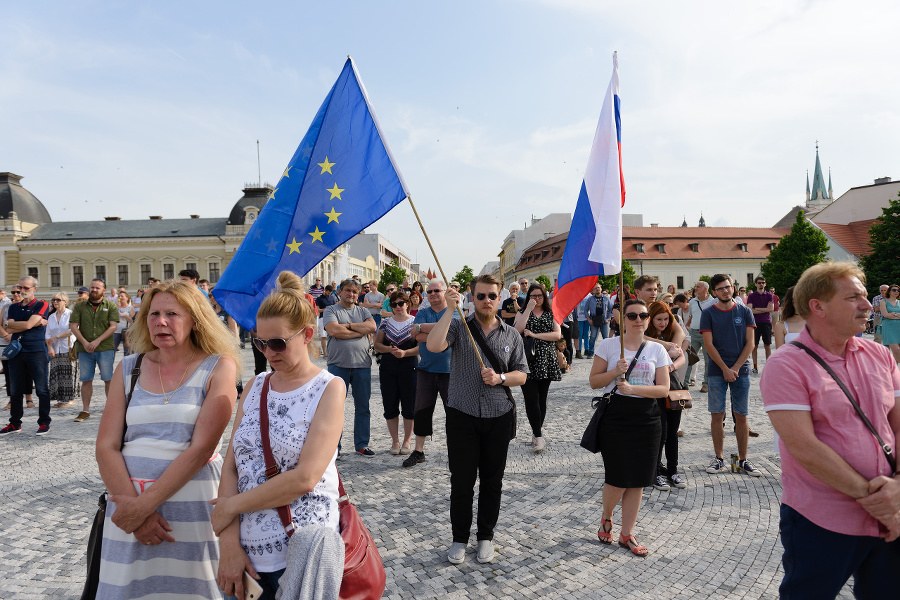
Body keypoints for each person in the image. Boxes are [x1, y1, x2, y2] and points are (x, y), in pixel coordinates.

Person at [760, 262, 900, 598]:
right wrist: (879, 500)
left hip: (892, 512)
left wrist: (898, 491)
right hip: (822, 520)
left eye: (866, 297)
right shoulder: (786, 365)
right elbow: (803, 446)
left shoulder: (879, 355)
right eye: (854, 297)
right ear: (817, 306)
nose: (868, 305)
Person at [93, 280, 240, 598]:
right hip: (127, 504)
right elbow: (106, 446)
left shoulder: (219, 367)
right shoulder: (128, 368)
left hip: (190, 512)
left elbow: (202, 448)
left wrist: (142, 507)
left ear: (195, 319)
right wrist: (135, 513)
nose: (160, 321)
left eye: (172, 313)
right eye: (153, 313)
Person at [210, 271, 344, 600]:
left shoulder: (328, 388)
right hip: (246, 552)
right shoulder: (255, 386)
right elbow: (231, 465)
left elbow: (305, 478)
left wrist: (230, 507)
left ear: (307, 334)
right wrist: (229, 545)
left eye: (278, 343)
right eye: (260, 342)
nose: (269, 352)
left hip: (300, 550)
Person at [426, 274, 527, 564]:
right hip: (462, 414)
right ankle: (459, 538)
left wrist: (501, 377)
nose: (486, 301)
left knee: (492, 481)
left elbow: (522, 373)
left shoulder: (511, 334)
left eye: (491, 296)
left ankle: (486, 537)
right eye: (480, 296)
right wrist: (448, 308)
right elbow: (434, 346)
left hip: (498, 414)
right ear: (472, 297)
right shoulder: (459, 326)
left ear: (499, 297)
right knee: (462, 481)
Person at [589, 299, 670, 557]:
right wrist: (615, 372)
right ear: (622, 319)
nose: (638, 319)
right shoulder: (610, 345)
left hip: (647, 418)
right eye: (632, 315)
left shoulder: (657, 349)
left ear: (648, 319)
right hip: (616, 417)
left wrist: (634, 389)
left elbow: (663, 389)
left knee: (638, 481)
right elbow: (593, 381)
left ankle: (627, 534)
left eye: (643, 315)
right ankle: (606, 516)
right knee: (617, 478)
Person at [701, 274, 761, 477]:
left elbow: (750, 344)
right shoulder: (708, 313)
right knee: (717, 415)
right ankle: (719, 458)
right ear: (714, 292)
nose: (726, 291)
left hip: (741, 371)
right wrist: (725, 369)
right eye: (721, 288)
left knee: (741, 415)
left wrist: (734, 368)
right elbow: (708, 345)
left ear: (733, 288)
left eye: (728, 287)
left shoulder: (745, 312)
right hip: (717, 371)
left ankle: (743, 460)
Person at [404, 279, 458, 468]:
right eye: (430, 292)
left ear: (445, 292)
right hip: (426, 370)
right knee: (422, 412)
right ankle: (418, 451)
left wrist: (422, 328)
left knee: (454, 413)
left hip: (450, 371)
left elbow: (452, 332)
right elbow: (416, 336)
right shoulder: (423, 312)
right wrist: (436, 331)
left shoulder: (455, 312)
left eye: (437, 290)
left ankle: (457, 450)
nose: (433, 294)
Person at [323, 278, 377, 456]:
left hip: (362, 365)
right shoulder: (331, 309)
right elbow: (334, 331)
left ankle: (361, 444)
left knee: (363, 406)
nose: (351, 294)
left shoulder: (362, 310)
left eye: (354, 291)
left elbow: (372, 326)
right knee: (335, 408)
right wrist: (358, 331)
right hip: (338, 365)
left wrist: (348, 325)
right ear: (340, 291)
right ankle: (334, 446)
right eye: (347, 290)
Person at [0, 277, 51, 436]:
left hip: (36, 351)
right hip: (17, 352)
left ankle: (44, 422)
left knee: (41, 389)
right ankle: (15, 423)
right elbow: (8, 327)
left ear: (35, 289)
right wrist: (34, 322)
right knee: (15, 389)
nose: (22, 290)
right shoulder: (13, 307)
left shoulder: (42, 304)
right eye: (20, 287)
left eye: (26, 288)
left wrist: (22, 324)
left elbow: (23, 325)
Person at [646, 301, 688, 491]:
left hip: (673, 387)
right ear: (651, 319)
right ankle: (655, 472)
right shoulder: (647, 338)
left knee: (672, 432)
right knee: (659, 432)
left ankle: (672, 470)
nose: (663, 323)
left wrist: (671, 366)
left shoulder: (671, 334)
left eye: (666, 319)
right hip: (653, 389)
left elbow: (682, 357)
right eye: (659, 319)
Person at [514, 284, 561, 453]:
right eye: (533, 296)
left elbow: (557, 335)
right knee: (531, 398)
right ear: (528, 297)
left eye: (539, 296)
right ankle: (538, 435)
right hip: (527, 360)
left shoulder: (551, 313)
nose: (537, 299)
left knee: (542, 398)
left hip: (546, 359)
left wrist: (534, 335)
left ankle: (536, 432)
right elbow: (516, 330)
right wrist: (527, 309)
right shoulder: (522, 312)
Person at [373, 290, 418, 455]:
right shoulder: (385, 323)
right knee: (390, 405)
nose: (398, 307)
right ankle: (395, 441)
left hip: (409, 366)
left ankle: (407, 440)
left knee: (409, 405)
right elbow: (377, 344)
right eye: (394, 304)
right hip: (388, 366)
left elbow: (421, 347)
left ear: (407, 304)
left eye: (401, 303)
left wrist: (405, 353)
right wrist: (389, 350)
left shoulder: (415, 322)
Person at [70, 278, 119, 422]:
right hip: (85, 349)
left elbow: (113, 326)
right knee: (86, 379)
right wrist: (84, 342)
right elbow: (73, 326)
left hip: (105, 348)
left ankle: (111, 409)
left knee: (108, 379)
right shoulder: (80, 306)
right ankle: (85, 410)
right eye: (92, 287)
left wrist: (97, 341)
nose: (94, 290)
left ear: (104, 290)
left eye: (97, 288)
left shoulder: (111, 305)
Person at [684, 281, 716, 392]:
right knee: (689, 358)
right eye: (696, 286)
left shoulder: (713, 302)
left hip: (707, 333)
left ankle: (706, 384)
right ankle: (684, 383)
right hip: (693, 332)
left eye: (698, 286)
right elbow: (692, 315)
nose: (695, 288)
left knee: (708, 360)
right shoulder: (692, 302)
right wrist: (687, 326)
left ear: (706, 289)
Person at [46, 292, 76, 408]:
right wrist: (49, 347)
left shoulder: (70, 314)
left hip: (67, 347)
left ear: (65, 302)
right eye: (53, 300)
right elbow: (47, 334)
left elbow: (73, 330)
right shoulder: (51, 316)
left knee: (68, 373)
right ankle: (60, 398)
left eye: (58, 300)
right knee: (57, 374)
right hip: (55, 349)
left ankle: (70, 398)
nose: (55, 302)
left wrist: (57, 336)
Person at [746, 276, 775, 374]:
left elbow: (771, 309)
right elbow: (750, 310)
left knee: (767, 345)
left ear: (765, 284)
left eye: (763, 282)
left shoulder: (769, 295)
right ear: (756, 284)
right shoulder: (751, 296)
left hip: (766, 322)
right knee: (755, 346)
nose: (761, 284)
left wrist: (757, 309)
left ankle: (769, 366)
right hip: (755, 323)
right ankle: (755, 367)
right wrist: (764, 309)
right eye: (759, 282)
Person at [586, 285, 611, 355]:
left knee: (606, 338)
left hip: (604, 320)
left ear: (601, 289)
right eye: (595, 288)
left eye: (598, 288)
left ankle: (607, 353)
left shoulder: (606, 298)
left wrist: (609, 318)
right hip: (594, 320)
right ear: (593, 290)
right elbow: (585, 310)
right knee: (593, 337)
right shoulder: (590, 299)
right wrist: (589, 319)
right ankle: (590, 353)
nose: (597, 289)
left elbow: (611, 309)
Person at [878, 285, 900, 363]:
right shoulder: (883, 301)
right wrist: (898, 315)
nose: (896, 292)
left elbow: (889, 315)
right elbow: (885, 315)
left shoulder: (899, 302)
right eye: (894, 290)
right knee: (896, 350)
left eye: (898, 290)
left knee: (896, 354)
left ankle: (894, 372)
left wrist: (893, 314)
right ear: (889, 291)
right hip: (889, 328)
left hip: (899, 328)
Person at [315, 284, 336, 360]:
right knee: (323, 336)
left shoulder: (332, 298)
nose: (329, 294)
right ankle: (325, 353)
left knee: (332, 336)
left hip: (331, 318)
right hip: (322, 318)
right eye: (328, 292)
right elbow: (317, 310)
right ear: (325, 290)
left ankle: (331, 352)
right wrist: (326, 309)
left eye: (330, 293)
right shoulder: (319, 299)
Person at [114, 290, 134, 355]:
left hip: (126, 331)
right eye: (119, 296)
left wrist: (125, 315)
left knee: (127, 351)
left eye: (122, 296)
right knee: (113, 349)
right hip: (116, 330)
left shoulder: (130, 308)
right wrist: (117, 307)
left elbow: (132, 320)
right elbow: (112, 317)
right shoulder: (115, 307)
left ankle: (126, 365)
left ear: (127, 298)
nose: (120, 297)